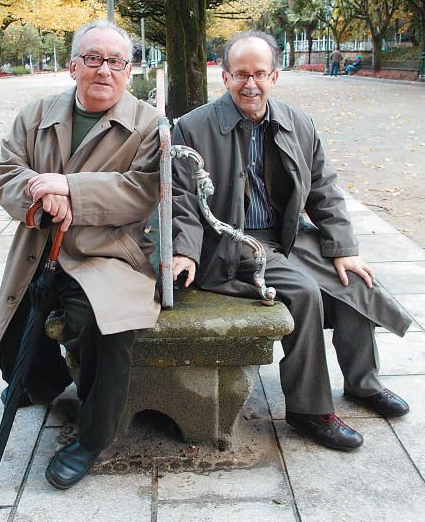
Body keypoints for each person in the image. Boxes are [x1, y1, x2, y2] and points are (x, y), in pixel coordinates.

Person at [172, 31, 410, 452]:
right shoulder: (192, 128)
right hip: (232, 242)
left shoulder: (297, 122)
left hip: (288, 235)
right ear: (224, 76)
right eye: (241, 74)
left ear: (275, 76)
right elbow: (183, 201)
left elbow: (323, 188)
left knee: (355, 281)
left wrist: (343, 248)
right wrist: (184, 251)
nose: (251, 83)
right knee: (303, 292)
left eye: (260, 74)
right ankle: (308, 409)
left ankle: (364, 383)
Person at [0, 20, 161, 489]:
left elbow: (143, 190)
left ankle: (91, 437)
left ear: (129, 71)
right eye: (92, 58)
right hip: (41, 244)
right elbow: (5, 169)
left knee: (104, 326)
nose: (103, 70)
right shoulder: (36, 114)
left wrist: (71, 187)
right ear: (72, 66)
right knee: (19, 339)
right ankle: (41, 383)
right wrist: (41, 193)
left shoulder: (148, 125)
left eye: (115, 61)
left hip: (107, 253)